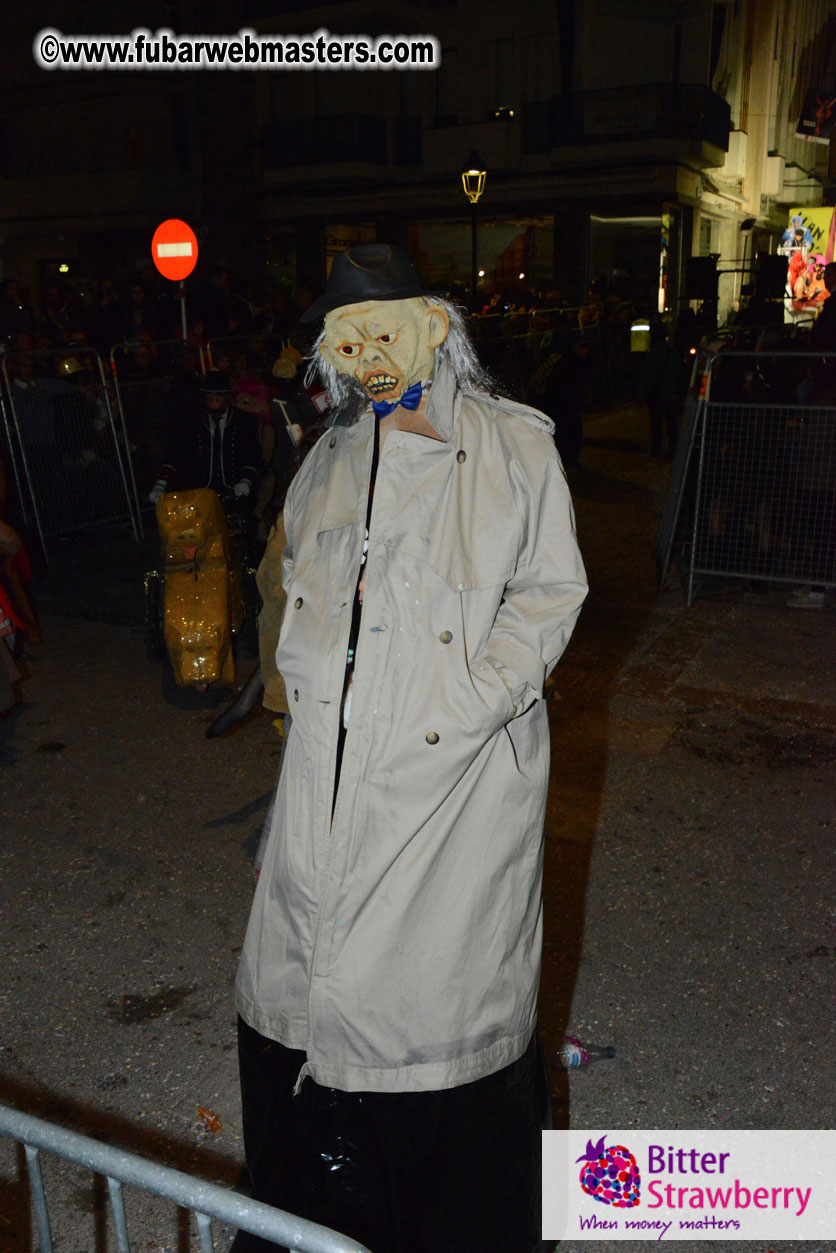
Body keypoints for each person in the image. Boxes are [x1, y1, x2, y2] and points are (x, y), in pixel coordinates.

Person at [231, 244, 587, 1253]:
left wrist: (472, 698)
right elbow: (287, 587)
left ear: (437, 328)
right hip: (329, 787)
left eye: (385, 327)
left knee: (437, 1017)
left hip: (455, 791)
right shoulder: (326, 461)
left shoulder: (511, 448)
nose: (367, 352)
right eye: (347, 338)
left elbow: (549, 589)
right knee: (300, 993)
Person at [148, 369, 261, 509]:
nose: (214, 403)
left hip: (235, 492)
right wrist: (161, 483)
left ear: (227, 397)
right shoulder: (194, 422)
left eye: (218, 398)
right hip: (200, 494)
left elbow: (252, 453)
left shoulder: (243, 421)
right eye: (209, 398)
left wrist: (246, 481)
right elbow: (176, 452)